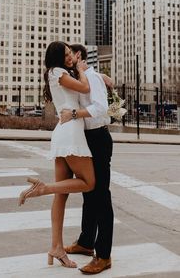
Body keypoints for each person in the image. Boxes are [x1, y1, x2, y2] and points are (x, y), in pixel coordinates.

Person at [18, 41, 95, 269]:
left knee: (61, 196)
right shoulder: (59, 72)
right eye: (66, 55)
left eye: (70, 53)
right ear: (57, 58)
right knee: (89, 183)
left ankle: (56, 247)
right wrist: (81, 69)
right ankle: (43, 188)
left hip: (64, 131)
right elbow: (85, 88)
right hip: (70, 132)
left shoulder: (56, 73)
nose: (70, 57)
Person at [60, 44, 114, 275]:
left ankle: (104, 255)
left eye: (69, 54)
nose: (68, 59)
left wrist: (73, 114)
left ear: (78, 55)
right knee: (89, 192)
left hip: (98, 138)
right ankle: (86, 242)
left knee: (101, 195)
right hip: (85, 139)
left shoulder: (92, 77)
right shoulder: (80, 78)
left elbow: (101, 108)